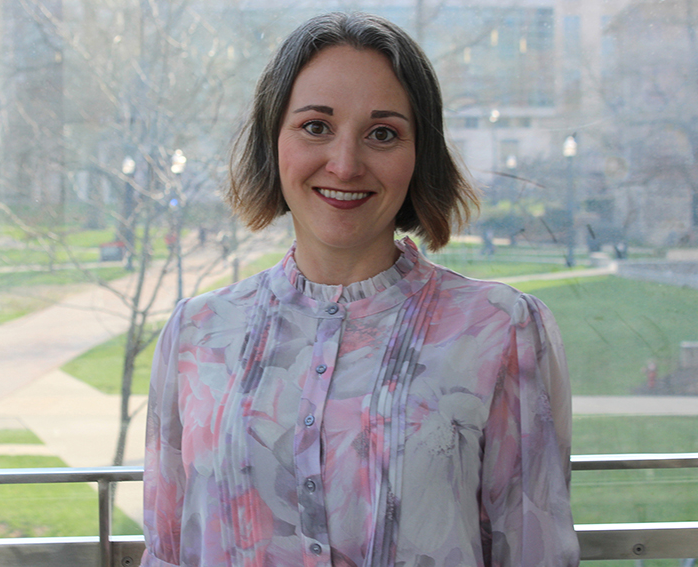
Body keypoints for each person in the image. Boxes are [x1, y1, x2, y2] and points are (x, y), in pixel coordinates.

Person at [142, 12, 579, 567]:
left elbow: (534, 553)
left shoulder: (502, 329)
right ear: (273, 142)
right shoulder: (196, 333)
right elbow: (167, 550)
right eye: (316, 127)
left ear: (419, 155)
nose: (345, 165)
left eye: (383, 134)